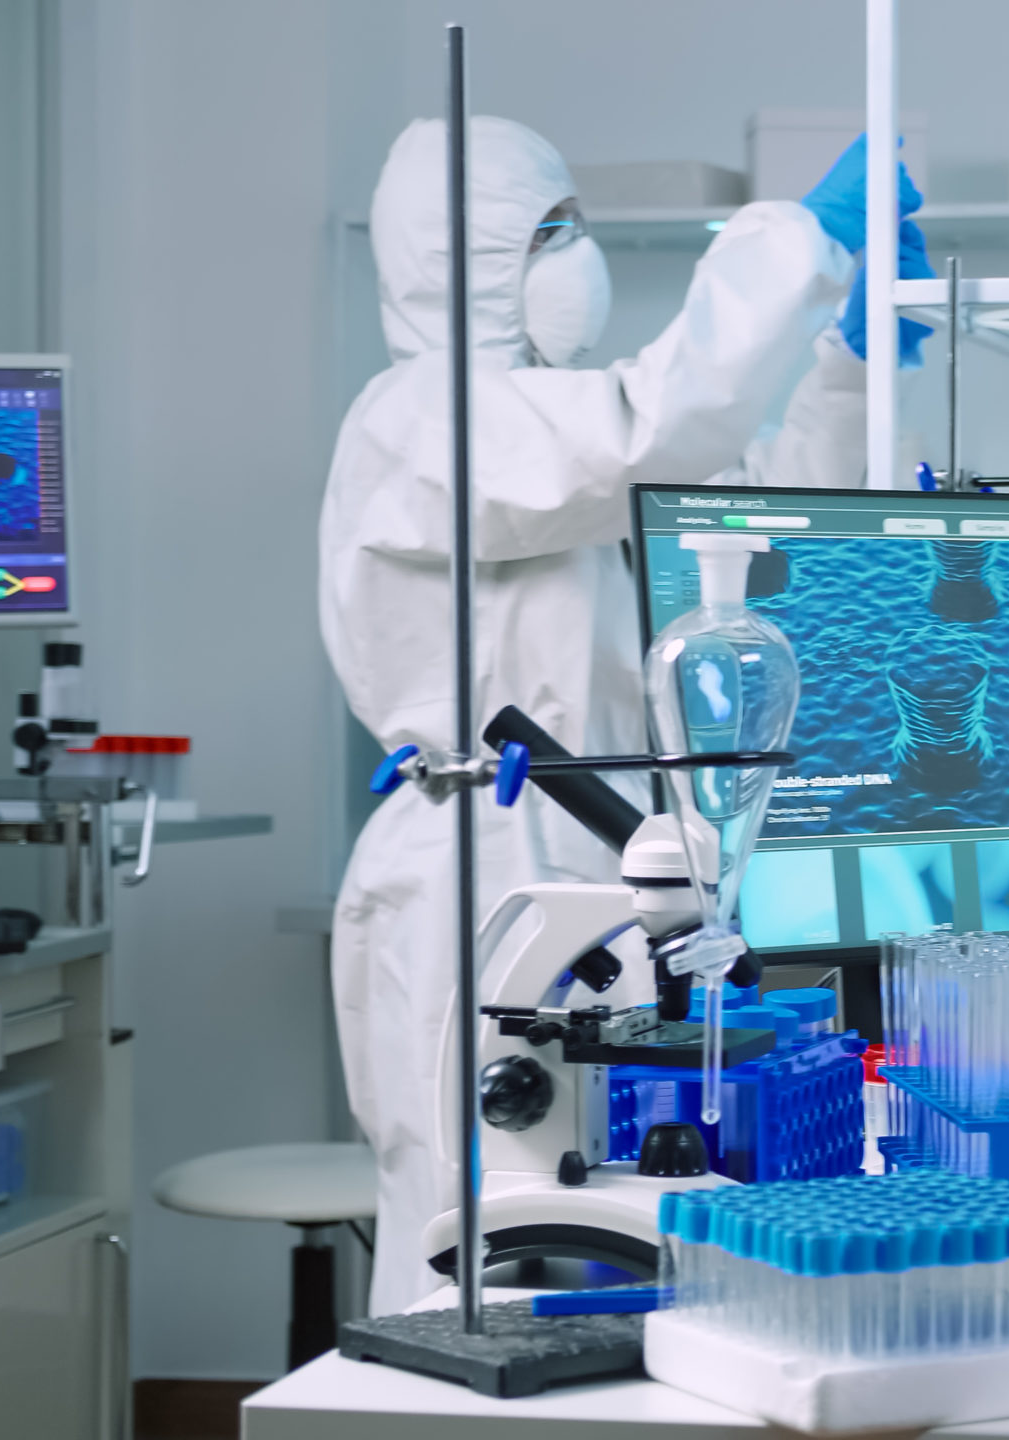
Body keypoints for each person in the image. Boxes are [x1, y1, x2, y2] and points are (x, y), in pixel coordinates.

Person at [320, 115, 928, 1312]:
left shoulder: (556, 425)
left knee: (616, 1207)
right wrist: (800, 241)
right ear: (464, 260)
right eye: (548, 233)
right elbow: (659, 429)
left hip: (610, 855)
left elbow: (753, 510)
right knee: (475, 1225)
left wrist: (842, 368)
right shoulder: (419, 417)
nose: (575, 258)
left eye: (576, 228)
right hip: (477, 864)